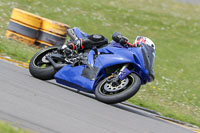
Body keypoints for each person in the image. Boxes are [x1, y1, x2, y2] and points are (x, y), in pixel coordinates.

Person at [61, 28, 155, 55]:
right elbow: (115, 34)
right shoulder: (127, 44)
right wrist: (120, 38)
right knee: (102, 38)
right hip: (99, 49)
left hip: (102, 58)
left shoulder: (132, 57)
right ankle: (70, 46)